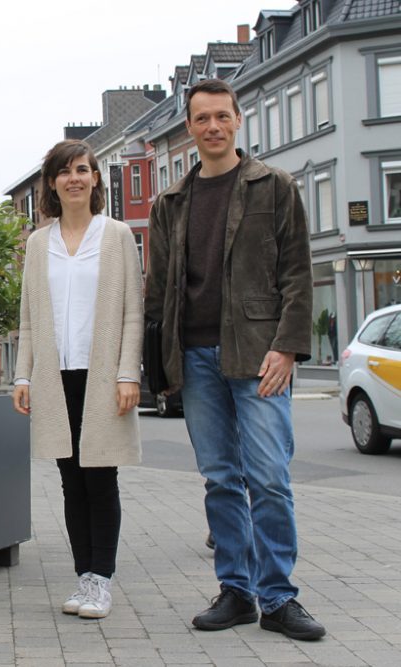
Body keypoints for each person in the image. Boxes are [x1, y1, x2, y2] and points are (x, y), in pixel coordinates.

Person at [145, 78, 324, 641]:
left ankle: (279, 597)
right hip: (195, 356)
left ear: (238, 120)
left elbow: (297, 271)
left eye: (222, 116)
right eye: (203, 119)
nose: (213, 126)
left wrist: (289, 346)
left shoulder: (274, 186)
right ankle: (237, 591)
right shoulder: (170, 202)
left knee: (268, 477)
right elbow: (160, 290)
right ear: (190, 127)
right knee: (220, 478)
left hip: (260, 354)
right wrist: (158, 366)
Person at [12, 139, 143, 620]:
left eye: (83, 170)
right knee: (71, 480)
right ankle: (83, 576)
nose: (75, 178)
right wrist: (21, 375)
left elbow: (132, 312)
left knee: (100, 476)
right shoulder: (36, 244)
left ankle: (100, 580)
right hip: (54, 374)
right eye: (64, 171)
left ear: (94, 179)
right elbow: (27, 317)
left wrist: (129, 372)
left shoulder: (117, 236)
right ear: (52, 182)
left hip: (103, 375)